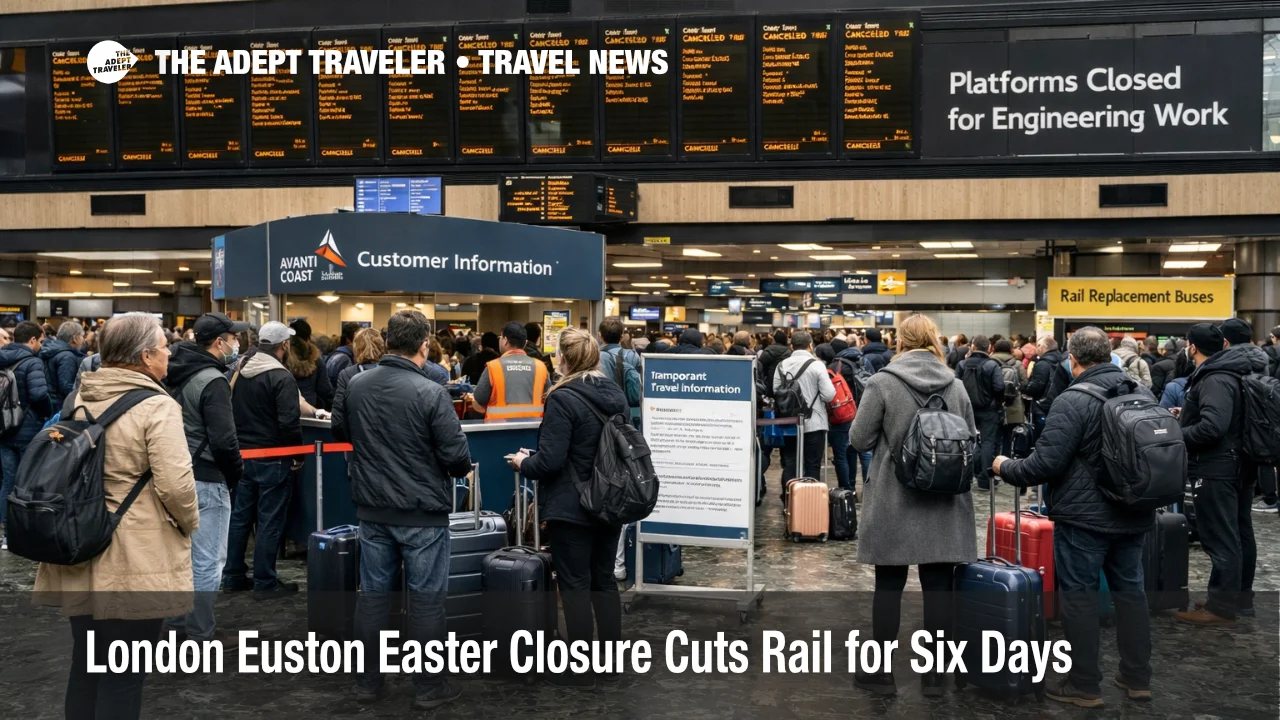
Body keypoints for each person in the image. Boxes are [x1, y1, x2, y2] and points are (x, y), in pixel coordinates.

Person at [34, 313, 199, 720]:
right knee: (125, 675)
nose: (169, 353)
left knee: (86, 665)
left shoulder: (79, 397)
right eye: (164, 347)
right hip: (135, 556)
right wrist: (189, 524)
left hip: (79, 545)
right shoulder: (157, 406)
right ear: (145, 356)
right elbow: (176, 486)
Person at [993, 326, 1155, 708]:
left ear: (1073, 359)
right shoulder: (1140, 392)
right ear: (1110, 355)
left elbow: (1045, 464)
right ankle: (1137, 677)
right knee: (1131, 593)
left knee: (1079, 598)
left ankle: (1083, 682)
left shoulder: (1073, 399)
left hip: (1084, 519)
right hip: (1134, 510)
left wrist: (1005, 467)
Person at [331, 309, 471, 710]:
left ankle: (367, 682)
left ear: (388, 340)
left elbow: (342, 431)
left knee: (373, 597)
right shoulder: (430, 392)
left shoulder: (357, 385)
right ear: (425, 345)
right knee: (427, 601)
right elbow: (457, 458)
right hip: (422, 512)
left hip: (372, 510)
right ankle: (429, 686)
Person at [849, 314, 976, 698]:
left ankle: (881, 674)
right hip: (944, 500)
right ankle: (935, 677)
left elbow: (858, 438)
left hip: (894, 498)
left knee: (889, 586)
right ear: (934, 341)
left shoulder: (883, 382)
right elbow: (971, 436)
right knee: (939, 586)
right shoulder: (955, 385)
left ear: (900, 341)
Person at [510, 328, 627, 688]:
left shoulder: (561, 398)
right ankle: (612, 661)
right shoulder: (615, 394)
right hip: (609, 501)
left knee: (575, 585)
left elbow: (552, 461)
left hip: (571, 507)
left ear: (563, 358)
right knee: (603, 581)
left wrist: (522, 463)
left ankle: (581, 669)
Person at [162, 312, 246, 647]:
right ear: (218, 342)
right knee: (207, 561)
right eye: (233, 338)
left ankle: (174, 624)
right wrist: (234, 473)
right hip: (207, 478)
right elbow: (224, 439)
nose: (237, 343)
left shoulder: (176, 370)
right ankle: (200, 634)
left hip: (176, 472)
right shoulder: (212, 380)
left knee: (179, 556)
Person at [1175, 323, 1253, 625]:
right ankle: (1229, 596)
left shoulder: (1214, 378)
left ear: (1192, 347)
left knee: (1221, 537)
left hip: (1217, 467)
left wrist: (1178, 435)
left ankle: (1222, 607)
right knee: (1234, 532)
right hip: (1238, 463)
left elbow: (1213, 427)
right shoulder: (1233, 372)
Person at [224, 321, 304, 599]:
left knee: (240, 518)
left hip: (242, 456)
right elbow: (288, 423)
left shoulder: (239, 369)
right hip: (273, 458)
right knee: (270, 521)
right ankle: (264, 581)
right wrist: (297, 455)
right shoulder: (281, 377)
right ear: (284, 346)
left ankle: (232, 574)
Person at [0, 320, 53, 548]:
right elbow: (40, 394)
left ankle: (5, 532)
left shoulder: (2, 358)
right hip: (27, 428)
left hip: (3, 430)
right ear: (32, 340)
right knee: (29, 481)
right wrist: (47, 415)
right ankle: (26, 531)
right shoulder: (32, 362)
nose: (41, 345)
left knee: (7, 482)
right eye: (40, 341)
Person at [773, 331, 835, 490]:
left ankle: (789, 503)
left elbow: (776, 391)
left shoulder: (781, 365)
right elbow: (829, 395)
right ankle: (809, 506)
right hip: (814, 423)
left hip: (789, 424)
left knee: (790, 463)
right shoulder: (817, 364)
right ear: (810, 345)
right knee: (812, 465)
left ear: (791, 346)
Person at [955, 335, 1005, 491]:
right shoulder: (992, 365)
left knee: (967, 441)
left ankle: (966, 476)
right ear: (989, 348)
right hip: (988, 410)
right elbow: (999, 387)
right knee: (988, 443)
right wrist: (996, 402)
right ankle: (984, 479)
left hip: (966, 409)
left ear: (973, 346)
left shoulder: (962, 364)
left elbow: (956, 385)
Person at [472, 322, 549, 419]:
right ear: (525, 343)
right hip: (533, 429)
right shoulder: (540, 367)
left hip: (499, 430)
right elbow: (549, 400)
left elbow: (479, 400)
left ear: (505, 340)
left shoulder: (494, 367)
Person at [815, 343, 853, 492]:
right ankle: (848, 487)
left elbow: (827, 395)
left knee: (839, 456)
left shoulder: (825, 372)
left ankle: (845, 488)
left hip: (833, 416)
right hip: (845, 413)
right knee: (845, 453)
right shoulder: (839, 368)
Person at [991, 339, 1028, 458]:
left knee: (993, 436)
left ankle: (992, 463)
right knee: (1009, 436)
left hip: (993, 405)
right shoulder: (1017, 364)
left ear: (994, 348)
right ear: (1010, 350)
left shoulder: (989, 363)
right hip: (1013, 405)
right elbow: (1024, 384)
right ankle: (1005, 463)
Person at [597, 317, 641, 415]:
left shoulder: (595, 357)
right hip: (629, 411)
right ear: (621, 337)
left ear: (599, 335)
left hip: (605, 410)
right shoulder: (632, 355)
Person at [287, 319, 333, 411]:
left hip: (287, 407)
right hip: (311, 409)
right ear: (308, 338)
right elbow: (324, 389)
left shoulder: (283, 359)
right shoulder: (316, 360)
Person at [334, 327, 385, 410]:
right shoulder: (391, 372)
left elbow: (339, 409)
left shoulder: (347, 374)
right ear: (381, 346)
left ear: (356, 348)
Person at [41, 321, 86, 410]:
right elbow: (66, 387)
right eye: (81, 336)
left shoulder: (54, 350)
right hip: (59, 404)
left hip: (51, 402)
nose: (83, 340)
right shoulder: (67, 356)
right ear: (74, 338)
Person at [758, 329, 791, 395]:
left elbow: (760, 365)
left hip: (769, 382)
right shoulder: (789, 352)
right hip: (785, 384)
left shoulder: (768, 350)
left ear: (774, 339)